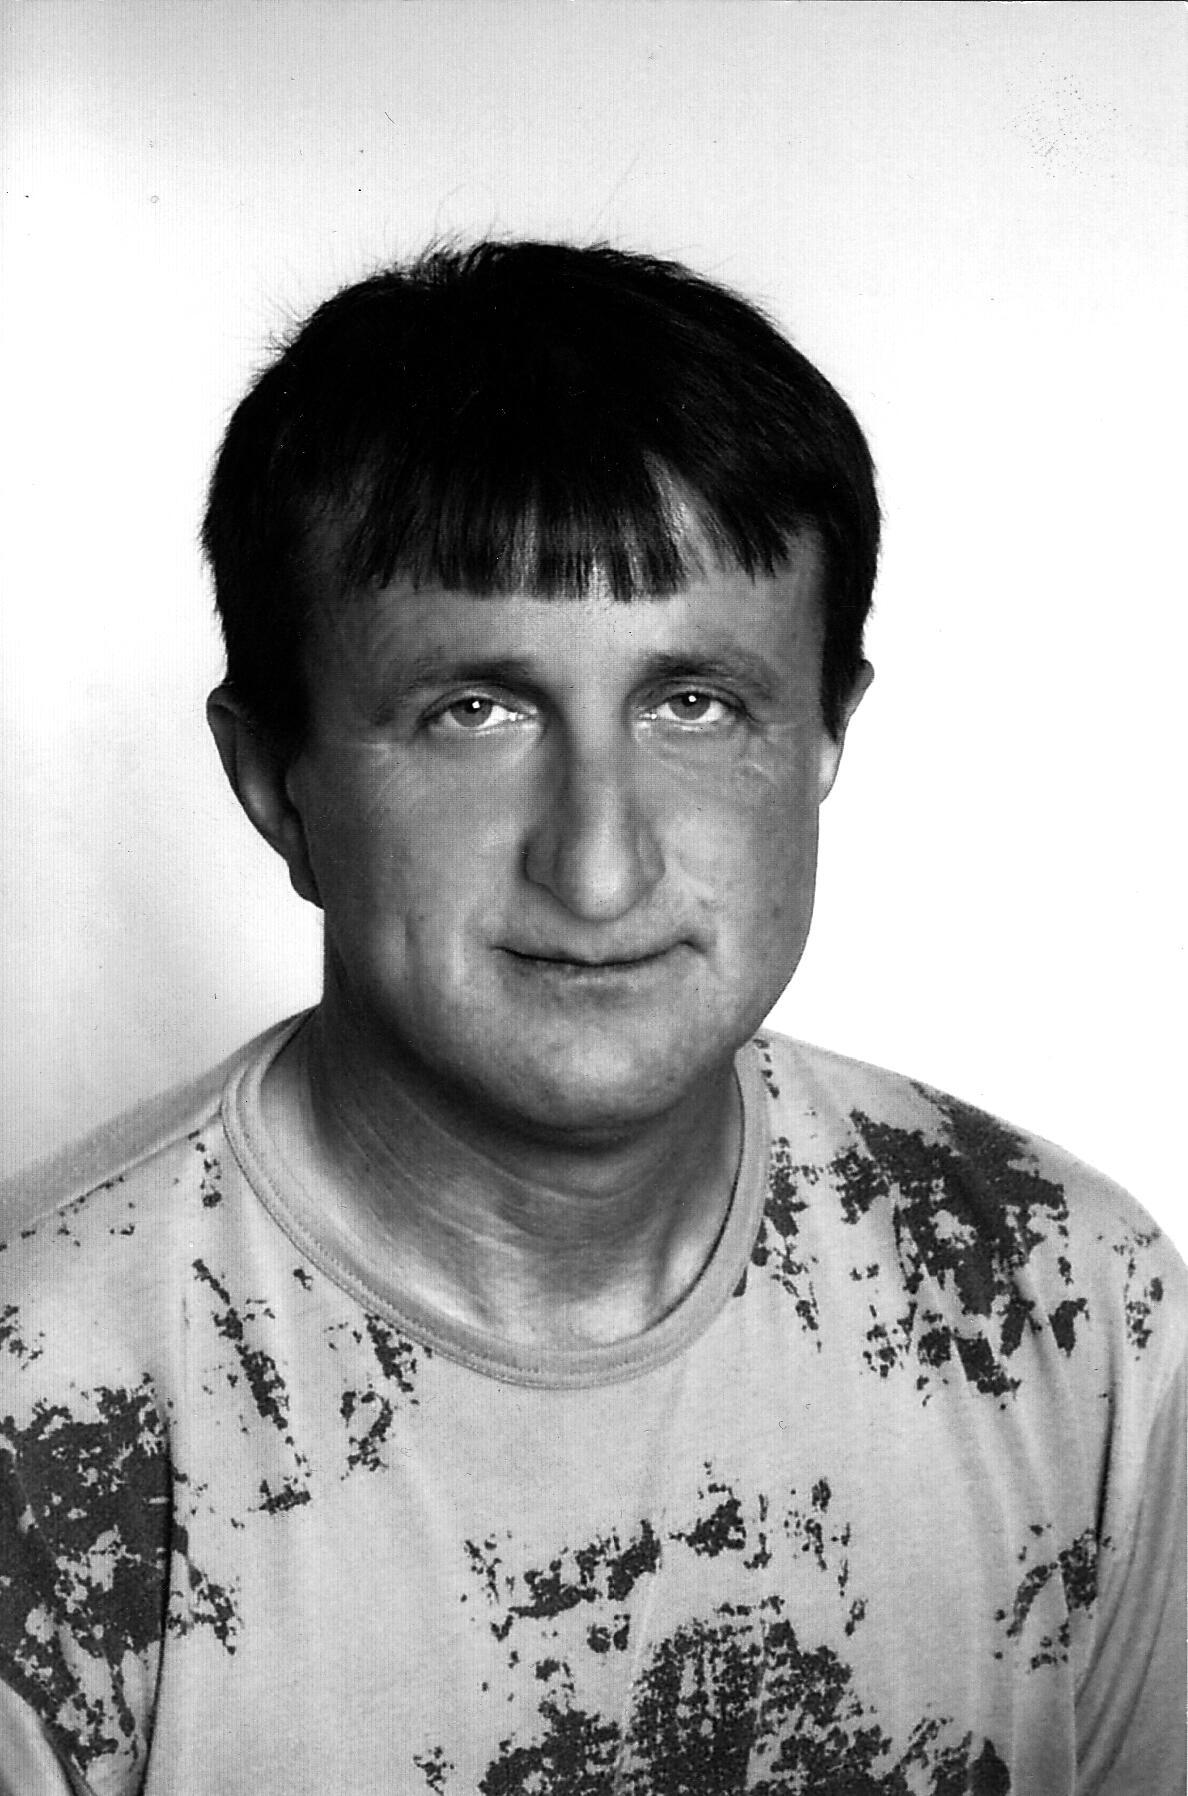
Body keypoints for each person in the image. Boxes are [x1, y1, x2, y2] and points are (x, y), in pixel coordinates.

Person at [0, 240, 1182, 1796]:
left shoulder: (1064, 1298)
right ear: (277, 783)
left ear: (825, 740)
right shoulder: (38, 1419)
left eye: (696, 704)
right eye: (472, 711)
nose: (601, 865)